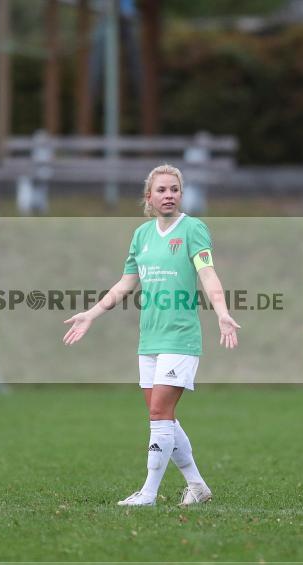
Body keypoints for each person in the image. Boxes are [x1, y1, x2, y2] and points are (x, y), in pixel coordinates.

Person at [62, 164, 240, 507]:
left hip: (181, 338)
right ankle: (197, 486)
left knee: (159, 413)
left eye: (174, 189)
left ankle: (148, 492)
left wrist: (222, 313)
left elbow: (207, 274)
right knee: (164, 418)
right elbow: (127, 283)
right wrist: (92, 313)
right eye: (161, 190)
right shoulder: (141, 235)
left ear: (181, 194)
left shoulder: (193, 229)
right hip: (150, 340)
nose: (169, 194)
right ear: (149, 196)